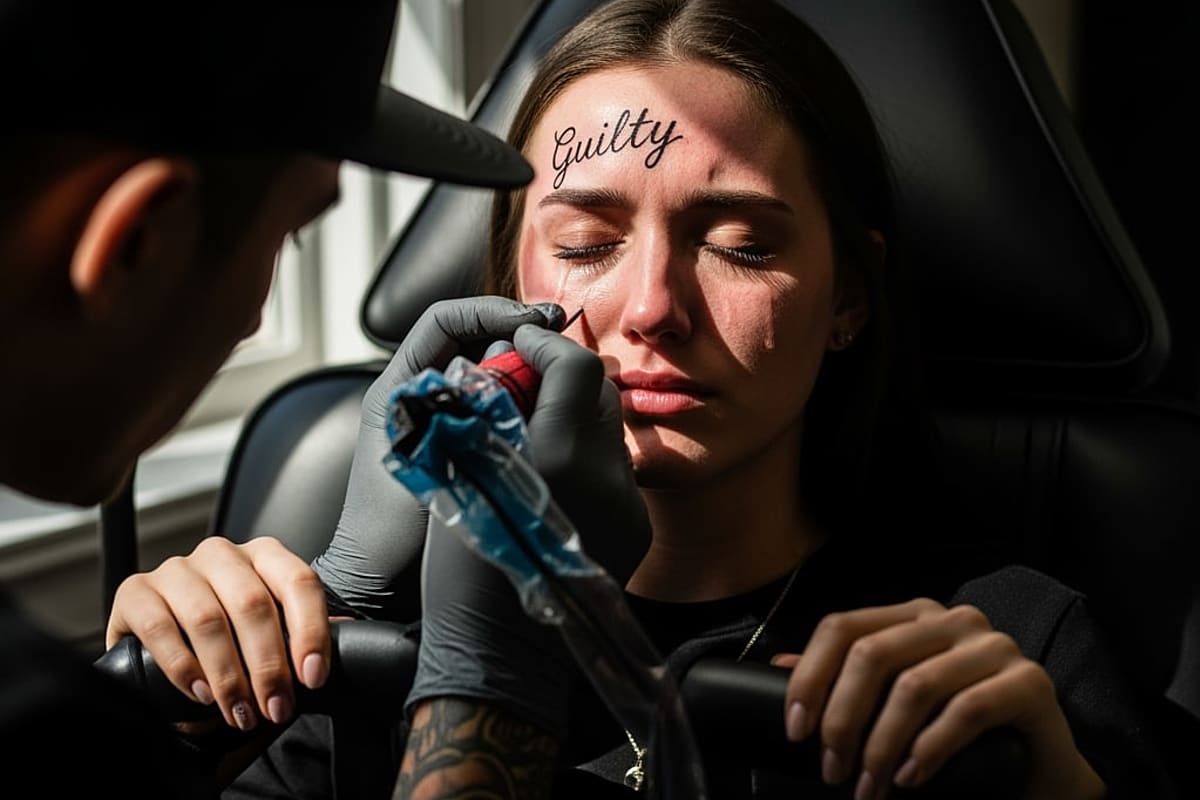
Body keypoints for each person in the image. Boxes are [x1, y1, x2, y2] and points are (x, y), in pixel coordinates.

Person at [107, 1, 1179, 798]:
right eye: (587, 243)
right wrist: (177, 715)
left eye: (742, 244)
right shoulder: (388, 628)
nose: (653, 305)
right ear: (505, 287)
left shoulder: (1004, 641)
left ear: (849, 295)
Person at [0, 0, 558, 795]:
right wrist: (487, 687)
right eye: (288, 233)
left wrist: (197, 726)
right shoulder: (40, 727)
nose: (258, 315)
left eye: (742, 246)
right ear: (136, 245)